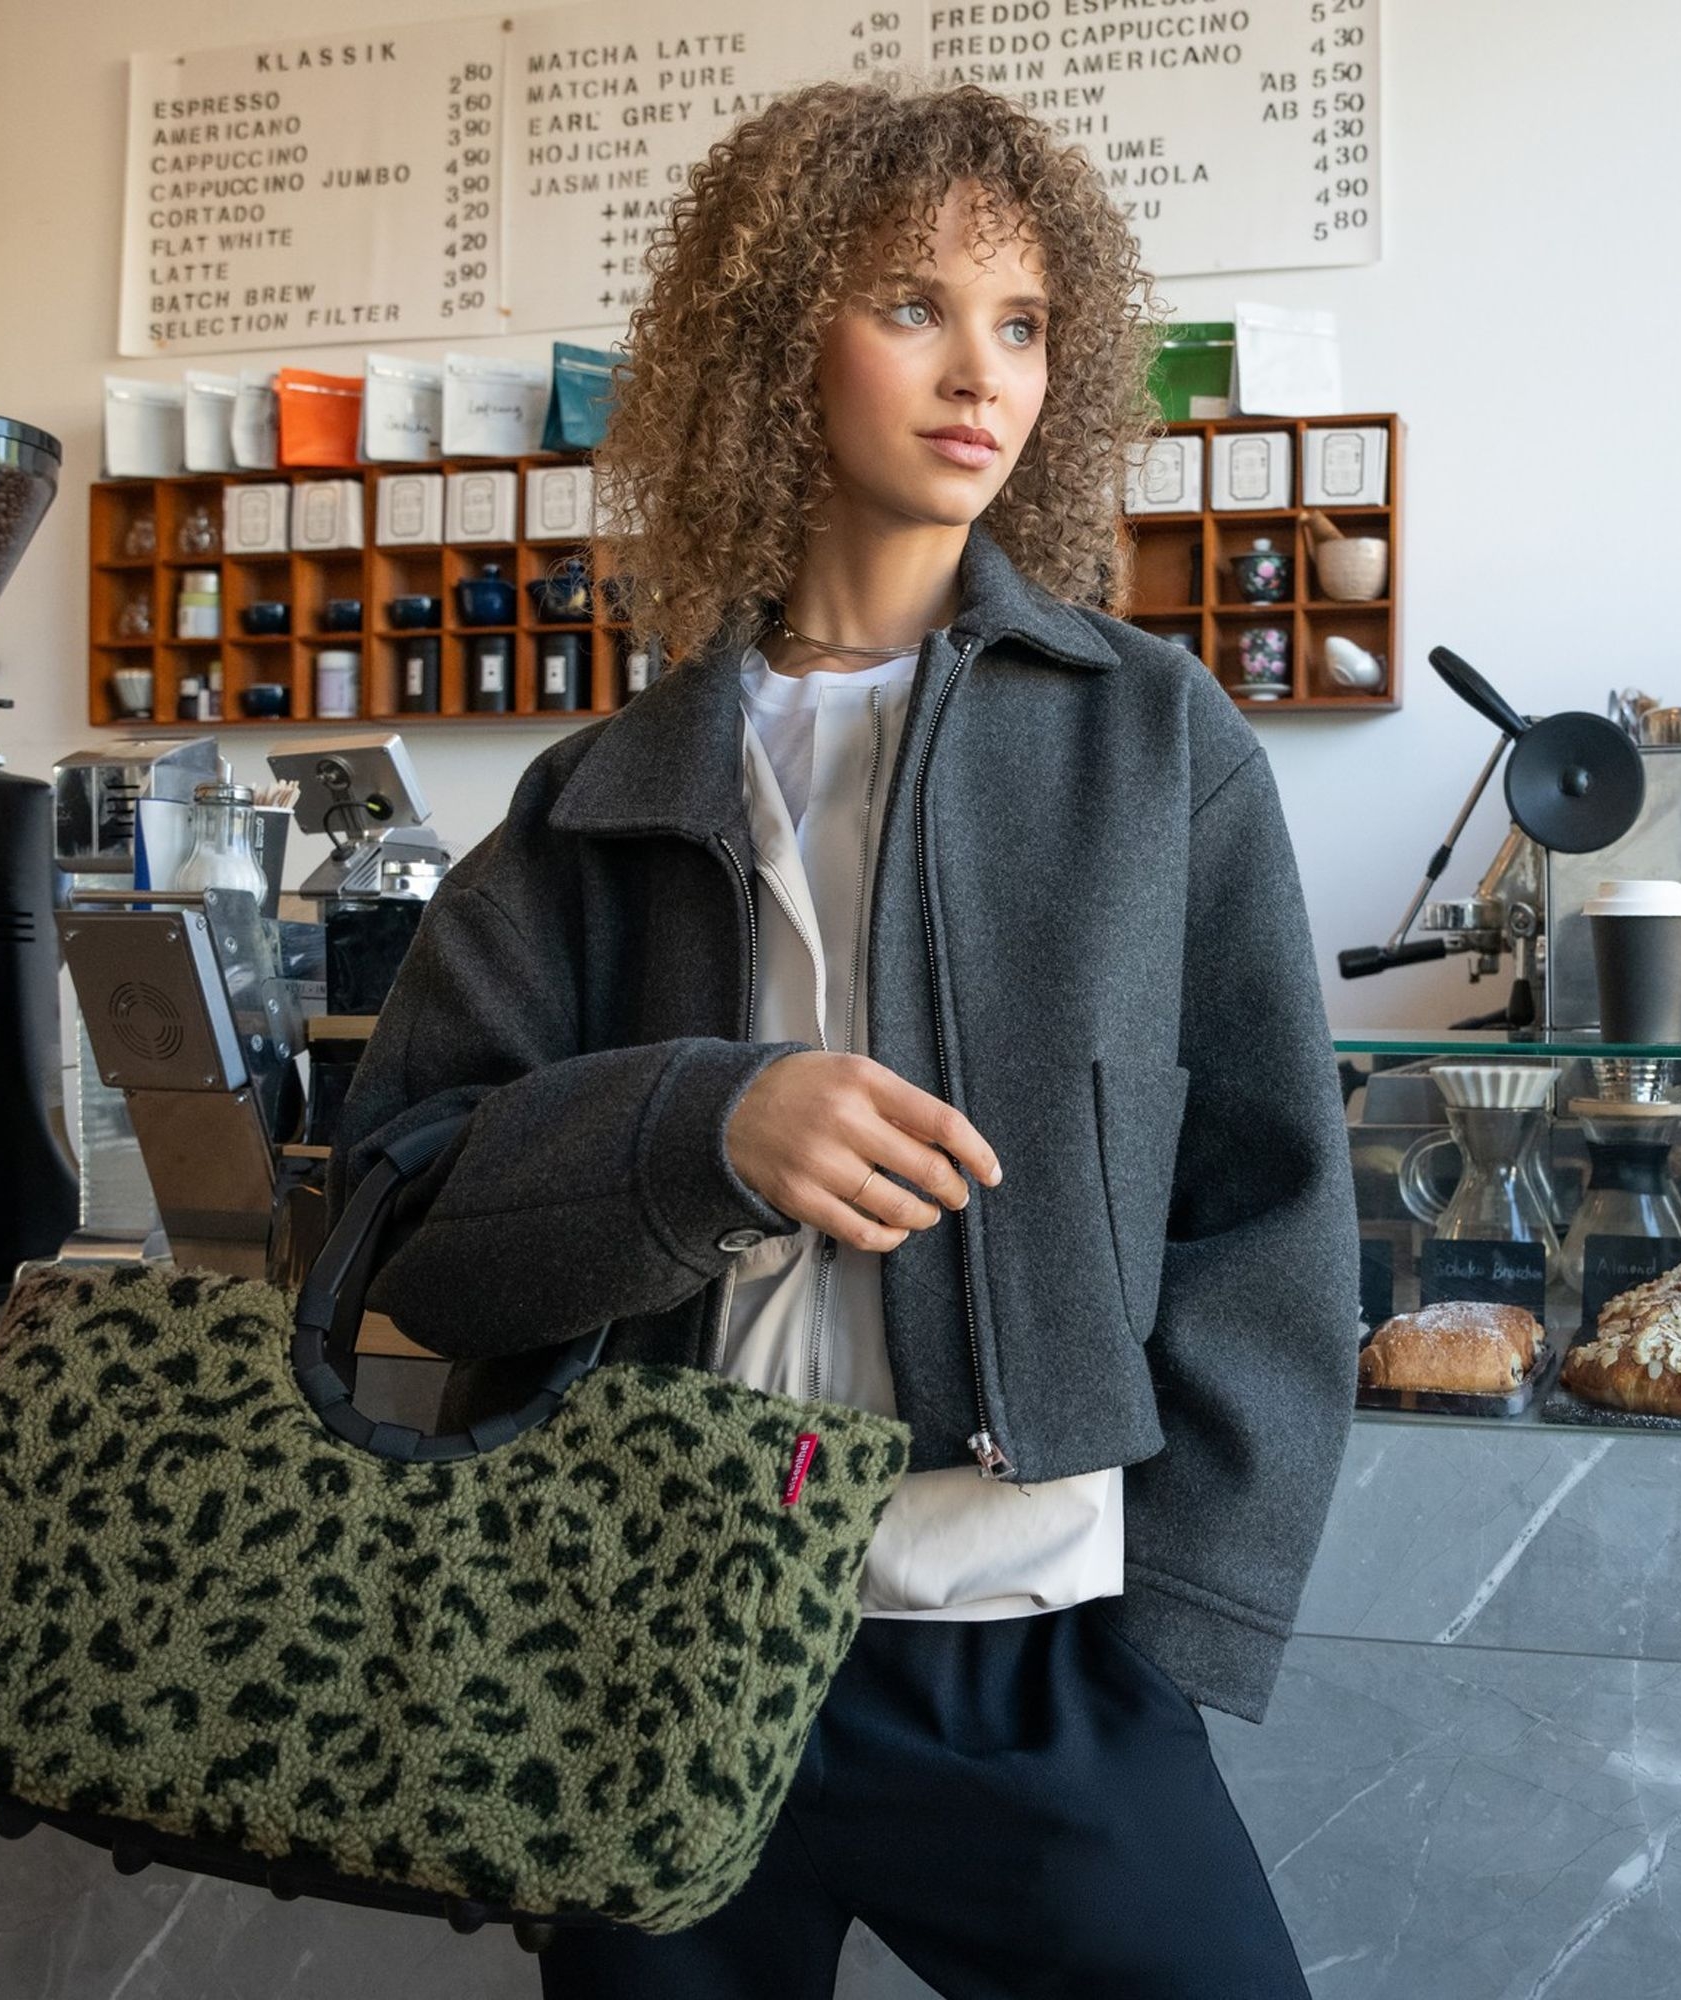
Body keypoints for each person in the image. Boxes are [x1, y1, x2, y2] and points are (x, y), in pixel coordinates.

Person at [331, 78, 1360, 2000]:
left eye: (1024, 323)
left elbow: (1272, 1202)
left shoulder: (1154, 744)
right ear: (772, 340)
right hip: (647, 1645)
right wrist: (701, 1129)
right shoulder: (594, 795)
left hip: (1030, 1641)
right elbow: (405, 1217)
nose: (983, 374)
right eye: (912, 305)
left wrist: (1176, 1618)